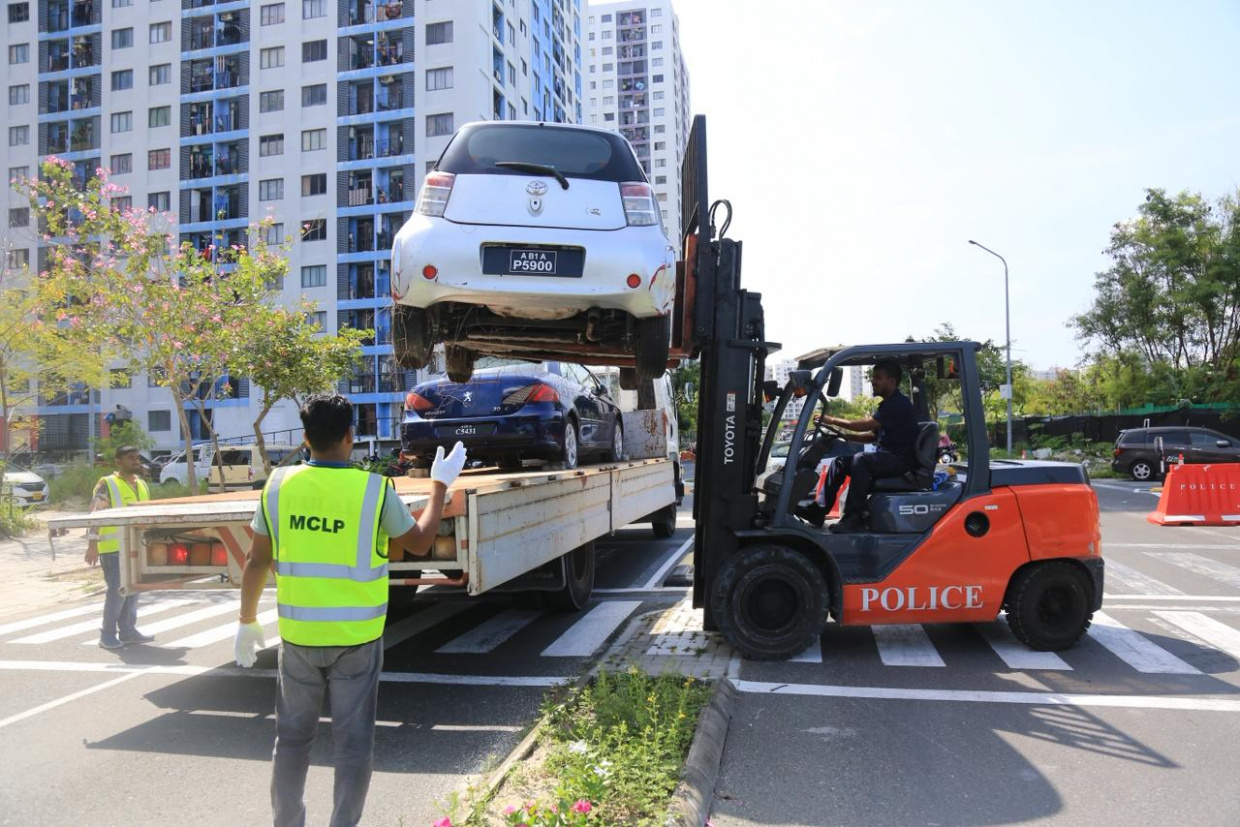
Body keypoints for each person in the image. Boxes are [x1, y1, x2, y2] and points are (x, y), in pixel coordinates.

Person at [233, 393, 467, 827]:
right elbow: (418, 543)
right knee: (354, 743)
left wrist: (246, 621)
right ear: (349, 436)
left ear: (304, 438)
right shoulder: (374, 490)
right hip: (357, 641)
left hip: (299, 638)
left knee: (291, 741)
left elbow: (256, 561)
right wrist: (439, 485)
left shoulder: (278, 485)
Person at [814, 359, 919, 533]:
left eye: (878, 377)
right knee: (840, 462)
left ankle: (854, 518)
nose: (873, 381)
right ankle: (818, 511)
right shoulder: (887, 404)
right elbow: (872, 436)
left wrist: (829, 419)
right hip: (887, 457)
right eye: (873, 377)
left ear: (892, 381)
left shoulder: (898, 404)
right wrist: (844, 436)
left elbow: (864, 425)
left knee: (861, 460)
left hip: (901, 460)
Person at [84, 445, 155, 649]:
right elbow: (95, 515)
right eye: (130, 458)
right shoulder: (107, 484)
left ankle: (128, 631)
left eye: (137, 457)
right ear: (118, 461)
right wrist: (92, 545)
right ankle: (106, 635)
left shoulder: (141, 484)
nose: (136, 461)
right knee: (117, 591)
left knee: (134, 590)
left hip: (137, 546)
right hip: (113, 548)